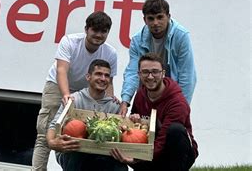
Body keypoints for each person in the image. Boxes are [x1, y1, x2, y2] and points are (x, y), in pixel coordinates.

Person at [32, 11, 118, 170]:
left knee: (83, 133)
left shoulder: (110, 52)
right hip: (57, 85)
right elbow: (61, 71)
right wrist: (65, 95)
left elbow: (108, 81)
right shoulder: (70, 42)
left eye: (103, 31)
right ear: (86, 29)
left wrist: (110, 102)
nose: (98, 35)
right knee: (46, 135)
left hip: (84, 89)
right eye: (95, 30)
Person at [111, 53, 198, 171]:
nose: (150, 77)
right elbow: (137, 128)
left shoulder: (177, 102)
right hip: (150, 150)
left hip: (174, 153)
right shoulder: (141, 94)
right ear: (139, 74)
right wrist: (134, 119)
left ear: (163, 73)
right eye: (145, 72)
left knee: (175, 130)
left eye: (155, 72)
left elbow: (163, 139)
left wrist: (138, 160)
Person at [120, 0, 196, 116]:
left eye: (160, 17)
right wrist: (125, 101)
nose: (155, 23)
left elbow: (187, 75)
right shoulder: (137, 40)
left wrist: (182, 107)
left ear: (168, 16)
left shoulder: (181, 36)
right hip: (147, 95)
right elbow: (133, 72)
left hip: (171, 95)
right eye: (151, 18)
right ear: (145, 20)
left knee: (172, 130)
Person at [46, 59, 127, 171]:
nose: (103, 79)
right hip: (74, 151)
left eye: (107, 75)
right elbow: (54, 125)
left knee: (120, 167)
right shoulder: (74, 99)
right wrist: (52, 143)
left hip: (102, 152)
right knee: (78, 155)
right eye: (98, 74)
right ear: (88, 77)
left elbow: (122, 132)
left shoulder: (114, 105)